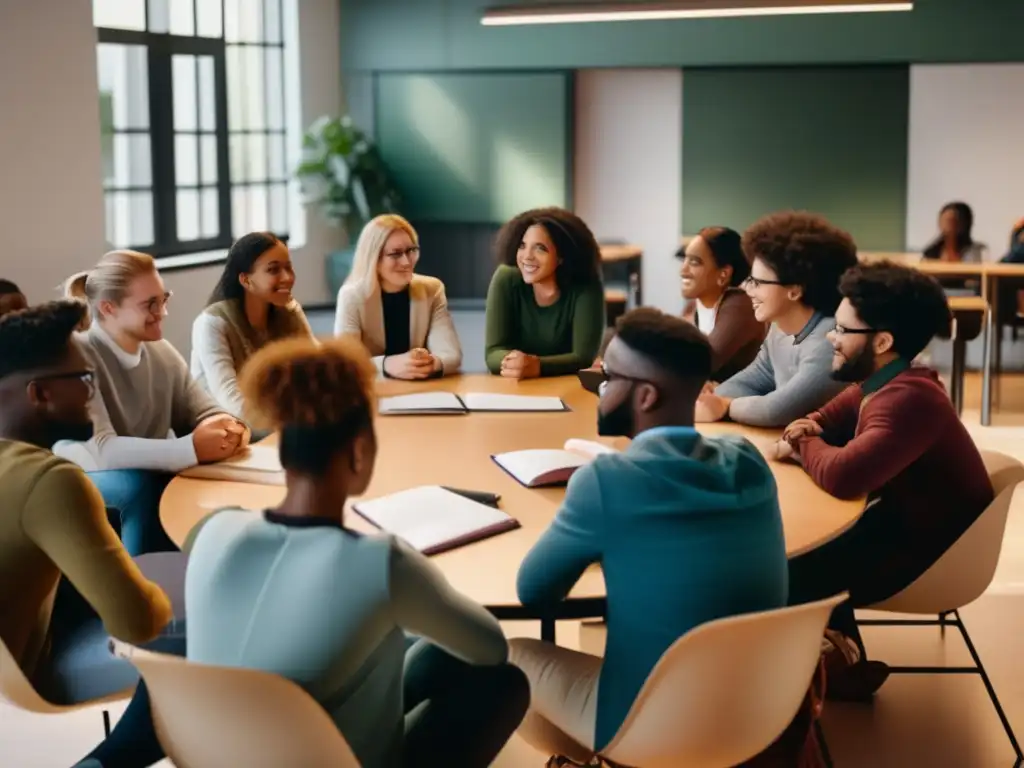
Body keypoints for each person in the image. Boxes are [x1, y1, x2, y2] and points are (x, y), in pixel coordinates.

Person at [181, 335, 529, 767]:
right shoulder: (381, 564)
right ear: (360, 452)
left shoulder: (214, 531)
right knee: (502, 681)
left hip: (223, 756)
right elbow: (492, 648)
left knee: (409, 637)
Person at [509, 307, 788, 763]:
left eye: (607, 377)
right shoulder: (748, 460)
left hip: (654, 725)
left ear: (645, 396)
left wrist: (602, 504)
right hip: (759, 712)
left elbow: (535, 592)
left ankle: (607, 757)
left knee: (510, 658)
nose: (598, 387)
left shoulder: (604, 483)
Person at [774, 261, 994, 701]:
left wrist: (801, 446)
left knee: (785, 566)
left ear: (882, 341)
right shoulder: (886, 381)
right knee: (802, 554)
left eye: (840, 329)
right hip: (902, 528)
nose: (829, 338)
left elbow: (843, 476)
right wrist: (810, 433)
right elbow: (822, 420)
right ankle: (839, 658)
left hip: (930, 554)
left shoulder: (908, 399)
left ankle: (828, 667)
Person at [0, 301, 174, 764]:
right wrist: (177, 592)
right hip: (23, 680)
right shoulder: (49, 480)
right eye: (83, 380)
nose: (91, 394)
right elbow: (137, 623)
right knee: (216, 639)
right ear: (39, 394)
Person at [55, 250, 248, 556]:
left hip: (139, 470)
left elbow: (207, 412)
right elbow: (103, 451)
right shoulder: (76, 355)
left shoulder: (162, 352)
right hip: (81, 473)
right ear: (108, 308)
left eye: (164, 299)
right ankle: (143, 590)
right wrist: (191, 448)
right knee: (142, 486)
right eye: (150, 304)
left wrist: (230, 428)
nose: (163, 312)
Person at [695, 211, 857, 428]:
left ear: (794, 291)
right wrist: (715, 398)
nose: (747, 290)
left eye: (757, 282)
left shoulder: (831, 340)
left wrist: (724, 405)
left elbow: (778, 411)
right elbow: (758, 376)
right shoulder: (780, 327)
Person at [191, 232, 313, 419]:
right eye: (273, 270)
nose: (287, 277)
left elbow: (316, 365)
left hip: (278, 420)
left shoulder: (289, 310)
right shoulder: (212, 323)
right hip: (226, 429)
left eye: (289, 267)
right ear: (246, 280)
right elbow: (230, 400)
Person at [334, 214, 462, 380]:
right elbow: (345, 362)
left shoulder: (432, 289)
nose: (406, 262)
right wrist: (387, 364)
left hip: (421, 391)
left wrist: (429, 363)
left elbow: (451, 355)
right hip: (373, 392)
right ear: (374, 259)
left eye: (411, 251)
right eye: (395, 254)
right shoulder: (351, 296)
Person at [485, 207, 605, 378]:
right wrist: (516, 363)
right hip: (514, 386)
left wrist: (539, 366)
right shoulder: (506, 278)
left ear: (562, 256)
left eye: (540, 248)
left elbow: (583, 357)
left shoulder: (586, 285)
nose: (527, 256)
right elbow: (493, 353)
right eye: (522, 246)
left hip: (566, 388)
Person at [678, 226, 765, 380]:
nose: (683, 270)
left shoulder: (740, 305)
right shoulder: (692, 306)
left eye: (694, 262)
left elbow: (701, 363)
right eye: (685, 259)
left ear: (724, 274)